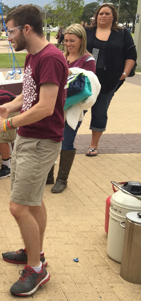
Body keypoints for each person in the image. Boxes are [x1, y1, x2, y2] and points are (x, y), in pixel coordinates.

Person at [0, 5, 67, 296]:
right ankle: (34, 251)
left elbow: (46, 107)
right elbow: (30, 92)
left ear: (26, 29)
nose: (7, 36)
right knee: (33, 202)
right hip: (29, 137)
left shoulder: (50, 57)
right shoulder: (34, 57)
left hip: (41, 141)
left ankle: (36, 269)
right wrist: (10, 104)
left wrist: (7, 122)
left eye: (9, 30)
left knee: (18, 206)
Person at [47, 24, 99, 193]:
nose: (68, 44)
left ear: (81, 40)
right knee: (51, 138)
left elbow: (88, 85)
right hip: (56, 106)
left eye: (72, 41)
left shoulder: (87, 60)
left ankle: (62, 179)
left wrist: (70, 73)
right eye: (66, 40)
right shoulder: (62, 56)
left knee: (66, 140)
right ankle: (48, 174)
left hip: (73, 107)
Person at [84, 3, 136, 157]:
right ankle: (67, 141)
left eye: (107, 14)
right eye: (101, 13)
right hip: (87, 79)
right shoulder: (88, 32)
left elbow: (131, 55)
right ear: (96, 15)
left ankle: (94, 145)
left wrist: (125, 73)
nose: (104, 16)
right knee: (77, 109)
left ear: (113, 17)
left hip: (109, 80)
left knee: (100, 111)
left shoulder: (122, 34)